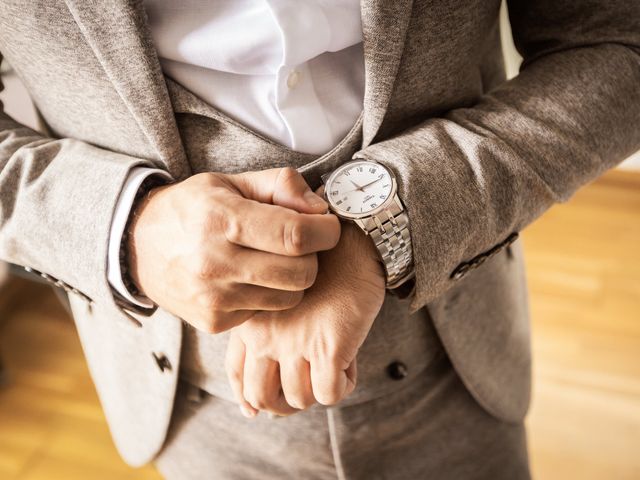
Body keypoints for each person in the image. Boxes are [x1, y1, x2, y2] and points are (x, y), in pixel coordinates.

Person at [0, 1, 638, 478]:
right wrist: (125, 228)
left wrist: (385, 219)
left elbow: (618, 44)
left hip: (460, 357)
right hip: (179, 393)